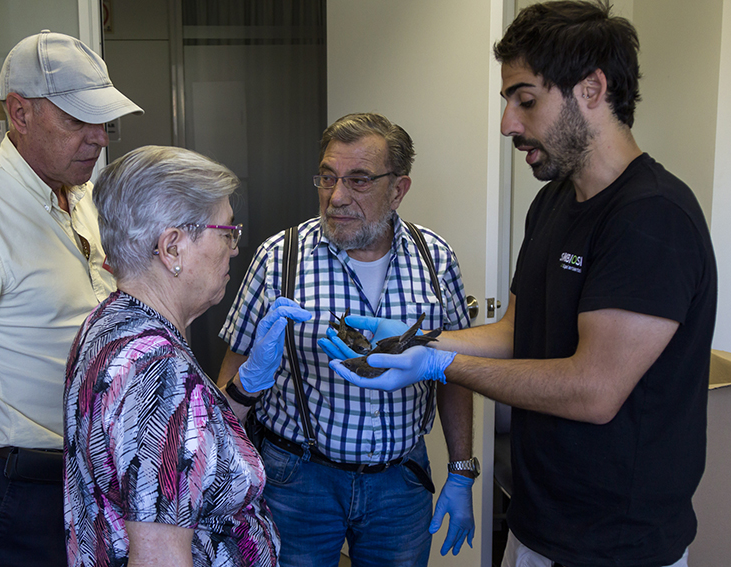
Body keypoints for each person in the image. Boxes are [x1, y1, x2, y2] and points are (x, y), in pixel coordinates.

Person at [325, 3, 718, 567]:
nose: (508, 122)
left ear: (592, 88)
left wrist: (442, 367)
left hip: (618, 544)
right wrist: (420, 341)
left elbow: (594, 390)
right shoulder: (554, 202)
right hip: (539, 520)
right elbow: (517, 331)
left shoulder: (652, 217)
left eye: (525, 100)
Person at [0, 30, 143, 567]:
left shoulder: (77, 195)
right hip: (25, 489)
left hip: (96, 478)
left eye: (103, 121)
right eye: (78, 121)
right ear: (20, 113)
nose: (100, 138)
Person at [219, 112, 477, 566]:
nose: (336, 197)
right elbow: (232, 375)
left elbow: (455, 373)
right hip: (297, 481)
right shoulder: (279, 258)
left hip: (400, 484)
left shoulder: (436, 259)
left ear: (398, 189)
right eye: (327, 177)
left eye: (358, 180)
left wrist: (461, 470)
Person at [63, 145, 311, 566]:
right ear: (173, 247)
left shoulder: (113, 321)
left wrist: (246, 386)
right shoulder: (155, 372)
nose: (234, 247)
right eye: (227, 231)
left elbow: (185, 449)